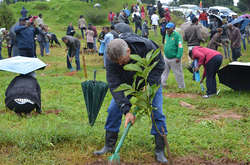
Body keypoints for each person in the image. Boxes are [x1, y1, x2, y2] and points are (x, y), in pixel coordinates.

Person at [93, 35, 168, 164]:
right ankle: (109, 145)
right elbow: (114, 84)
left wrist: (149, 84)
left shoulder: (146, 46)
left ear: (128, 51)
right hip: (128, 85)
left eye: (122, 61)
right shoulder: (112, 56)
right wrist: (126, 110)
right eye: (118, 63)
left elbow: (160, 65)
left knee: (157, 112)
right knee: (113, 110)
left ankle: (160, 150)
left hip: (149, 83)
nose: (120, 64)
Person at [161, 22, 185, 89]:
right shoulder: (166, 34)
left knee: (178, 73)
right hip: (166, 57)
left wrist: (178, 56)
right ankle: (163, 84)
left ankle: (181, 87)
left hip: (174, 58)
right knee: (164, 71)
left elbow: (180, 47)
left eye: (169, 28)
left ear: (173, 28)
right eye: (166, 28)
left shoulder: (177, 35)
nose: (167, 30)